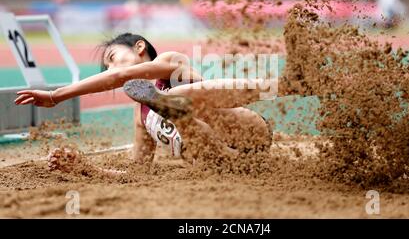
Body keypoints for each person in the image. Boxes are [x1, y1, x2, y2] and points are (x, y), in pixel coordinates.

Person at [14, 33, 274, 176]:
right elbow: (138, 173)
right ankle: (179, 116)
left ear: (139, 47)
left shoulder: (170, 63)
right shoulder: (141, 117)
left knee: (180, 94)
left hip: (247, 131)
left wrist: (54, 96)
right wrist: (84, 168)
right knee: (189, 130)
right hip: (227, 163)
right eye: (108, 67)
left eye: (113, 58)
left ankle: (279, 86)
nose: (112, 68)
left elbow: (120, 77)